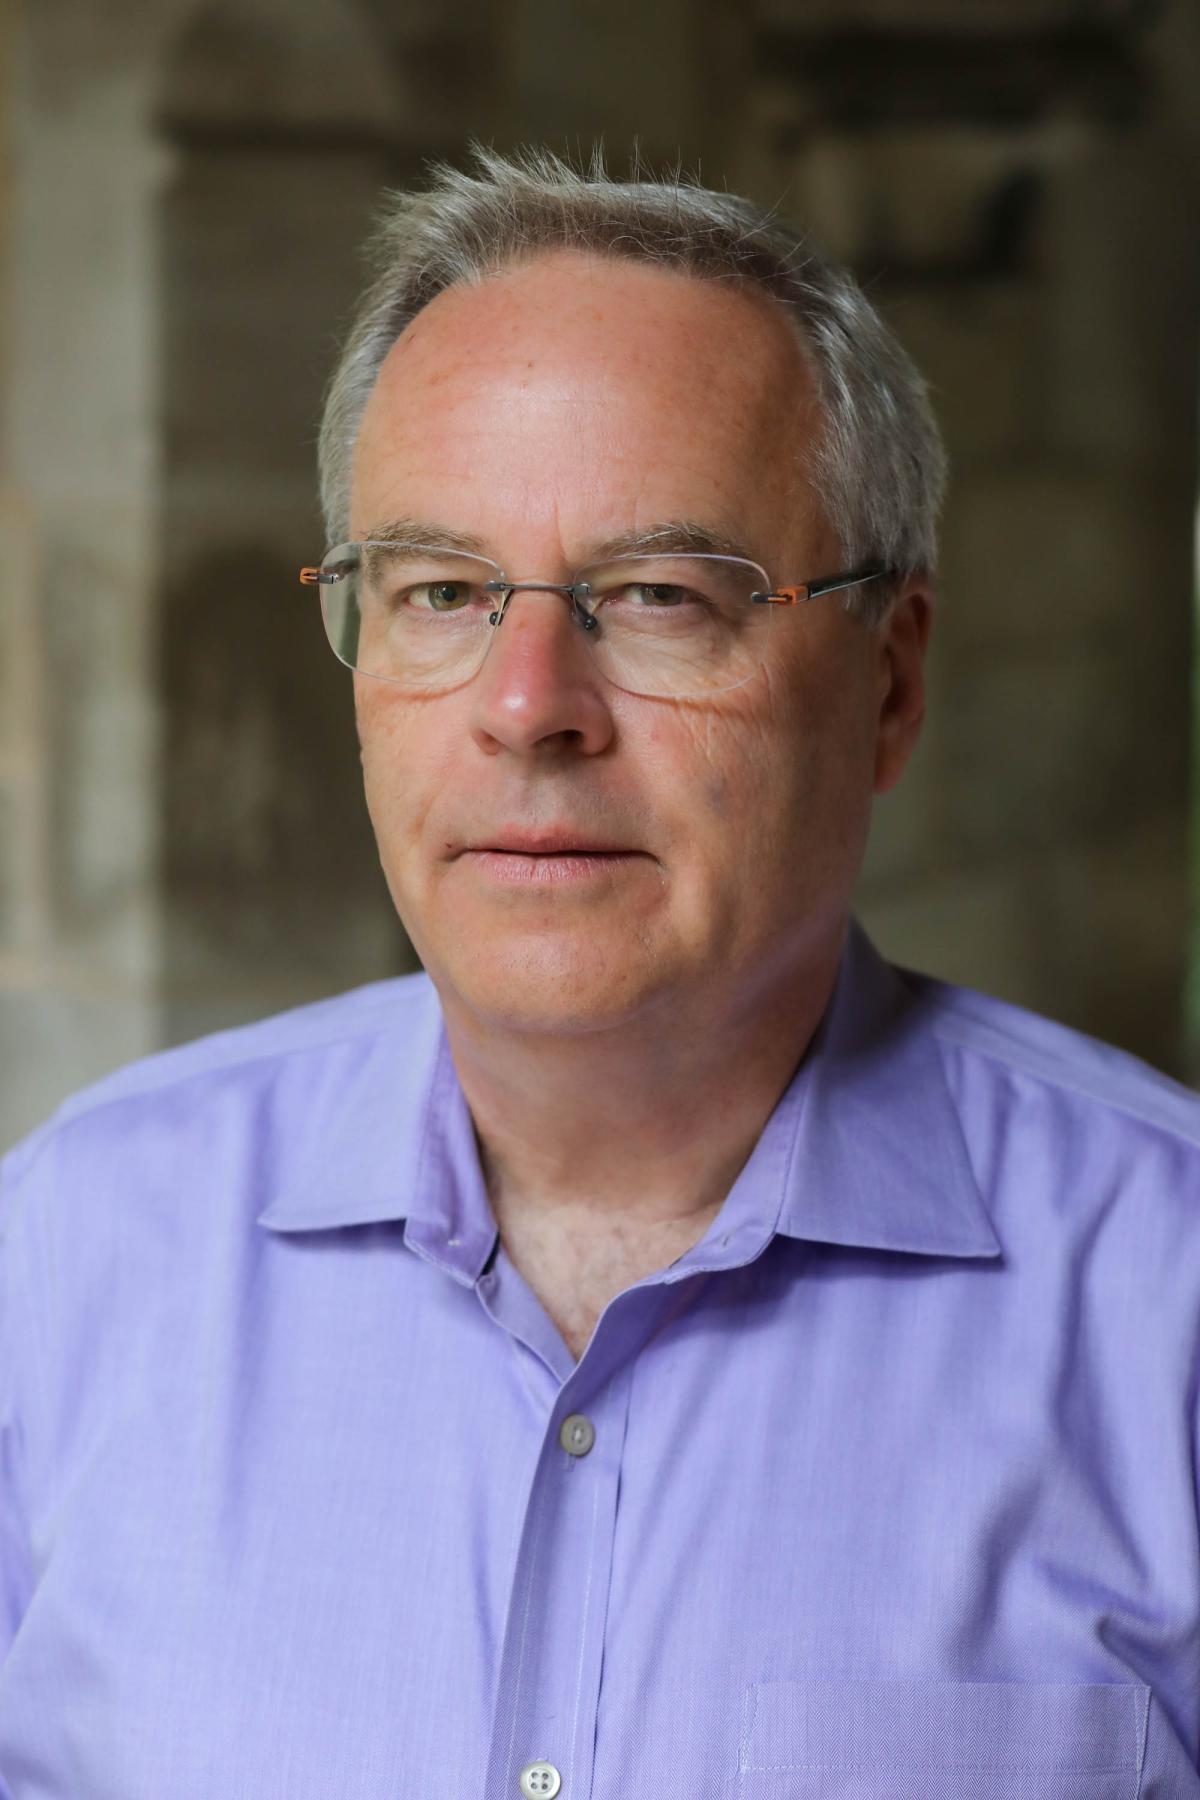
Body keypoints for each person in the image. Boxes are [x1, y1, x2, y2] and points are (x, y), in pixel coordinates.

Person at [2, 143, 1199, 1799]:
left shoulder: (1167, 1303)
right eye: (441, 592)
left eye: (656, 595)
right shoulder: (71, 1254)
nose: (527, 703)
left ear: (891, 685)